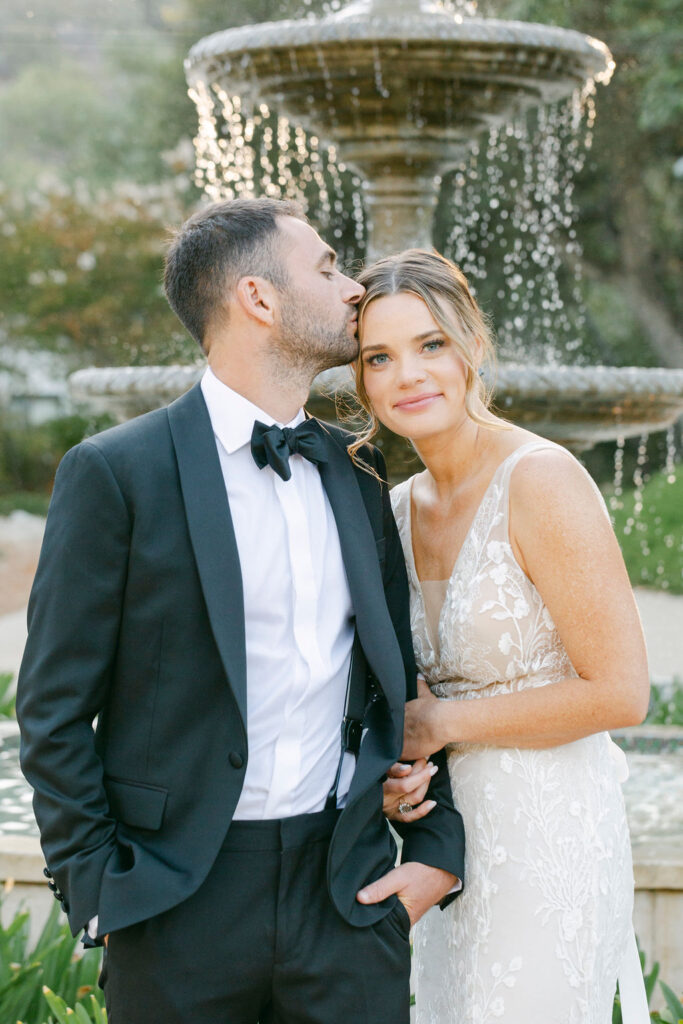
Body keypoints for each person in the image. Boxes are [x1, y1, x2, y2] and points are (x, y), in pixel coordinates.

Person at [16, 201, 465, 1024]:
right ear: (258, 298)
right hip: (177, 905)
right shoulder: (114, 473)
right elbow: (49, 712)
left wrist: (435, 855)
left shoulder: (358, 472)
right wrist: (103, 892)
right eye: (327, 268)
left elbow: (405, 675)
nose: (352, 287)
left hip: (346, 896)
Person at [352, 248, 651, 1022]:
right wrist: (402, 772)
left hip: (549, 832)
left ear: (471, 346)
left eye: (430, 345)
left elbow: (621, 693)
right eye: (378, 357)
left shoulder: (540, 478)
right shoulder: (392, 509)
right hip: (446, 854)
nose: (407, 375)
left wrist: (439, 724)